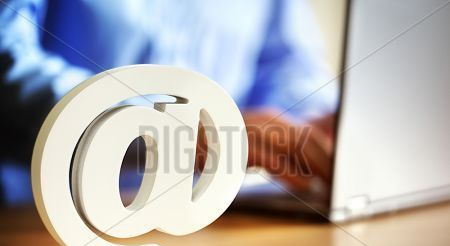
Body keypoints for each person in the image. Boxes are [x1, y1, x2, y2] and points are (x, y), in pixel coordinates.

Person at [0, 0, 337, 205]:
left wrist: (307, 126)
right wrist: (180, 133)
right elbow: (8, 65)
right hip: (36, 219)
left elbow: (287, 65)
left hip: (208, 216)